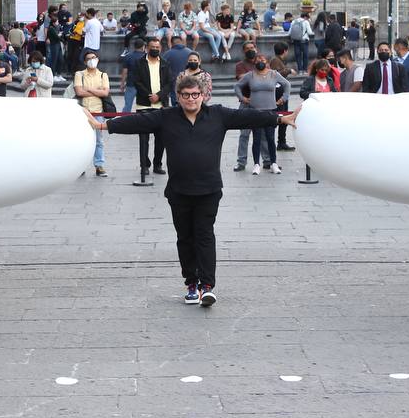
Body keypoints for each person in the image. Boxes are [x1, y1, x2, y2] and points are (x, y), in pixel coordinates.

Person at [88, 73, 298, 306]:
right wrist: (103, 125)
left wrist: (280, 119)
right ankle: (191, 283)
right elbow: (137, 122)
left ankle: (207, 286)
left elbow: (249, 117)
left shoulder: (218, 115)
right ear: (178, 96)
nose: (191, 99)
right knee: (185, 238)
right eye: (186, 95)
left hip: (209, 189)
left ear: (203, 95)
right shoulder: (166, 117)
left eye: (195, 95)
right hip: (179, 191)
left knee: (204, 235)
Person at [234, 52, 289, 175]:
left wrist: (283, 99)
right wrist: (243, 98)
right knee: (256, 138)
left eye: (263, 60)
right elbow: (237, 86)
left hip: (270, 110)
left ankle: (272, 163)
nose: (260, 62)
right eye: (258, 60)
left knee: (270, 137)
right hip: (255, 110)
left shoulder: (274, 74)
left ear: (267, 62)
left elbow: (287, 85)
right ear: (255, 62)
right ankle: (255, 164)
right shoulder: (250, 75)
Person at [130, 38, 171, 177]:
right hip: (144, 105)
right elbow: (136, 82)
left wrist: (159, 96)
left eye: (157, 47)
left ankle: (157, 164)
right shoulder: (139, 62)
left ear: (161, 49)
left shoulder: (165, 63)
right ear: (146, 48)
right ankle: (144, 165)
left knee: (161, 138)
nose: (155, 49)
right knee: (143, 139)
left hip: (161, 106)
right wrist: (149, 95)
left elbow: (169, 83)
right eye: (152, 47)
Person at [75, 52, 113, 177]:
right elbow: (79, 92)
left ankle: (99, 165)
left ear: (97, 59)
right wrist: (97, 91)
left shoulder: (103, 75)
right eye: (89, 59)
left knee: (98, 141)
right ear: (85, 62)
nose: (92, 60)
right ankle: (80, 166)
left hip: (98, 111)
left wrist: (89, 89)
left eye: (94, 58)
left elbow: (105, 93)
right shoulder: (79, 74)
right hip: (83, 111)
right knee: (81, 141)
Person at [161, 36, 193, 105]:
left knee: (175, 102)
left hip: (174, 82)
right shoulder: (190, 52)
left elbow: (162, 68)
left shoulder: (167, 54)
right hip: (189, 81)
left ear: (172, 43)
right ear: (181, 42)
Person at [119, 37, 146, 112]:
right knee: (143, 106)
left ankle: (125, 118)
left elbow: (124, 72)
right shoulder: (146, 57)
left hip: (131, 84)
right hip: (144, 85)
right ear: (143, 47)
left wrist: (122, 83)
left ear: (134, 46)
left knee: (128, 105)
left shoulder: (128, 56)